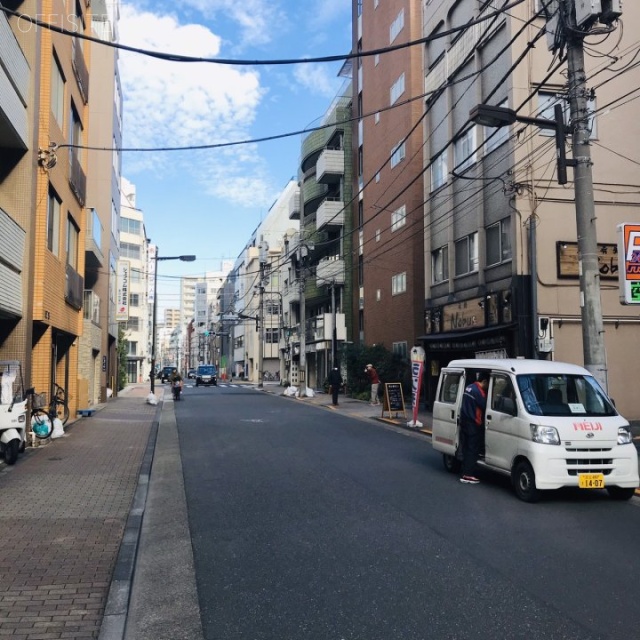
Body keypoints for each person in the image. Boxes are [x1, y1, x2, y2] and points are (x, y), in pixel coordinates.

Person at [459, 371, 489, 484]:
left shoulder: (469, 387)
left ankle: (464, 472)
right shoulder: (479, 392)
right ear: (484, 381)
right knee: (473, 449)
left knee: (466, 448)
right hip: (473, 423)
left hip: (464, 421)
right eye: (487, 384)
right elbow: (485, 406)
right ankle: (469, 475)